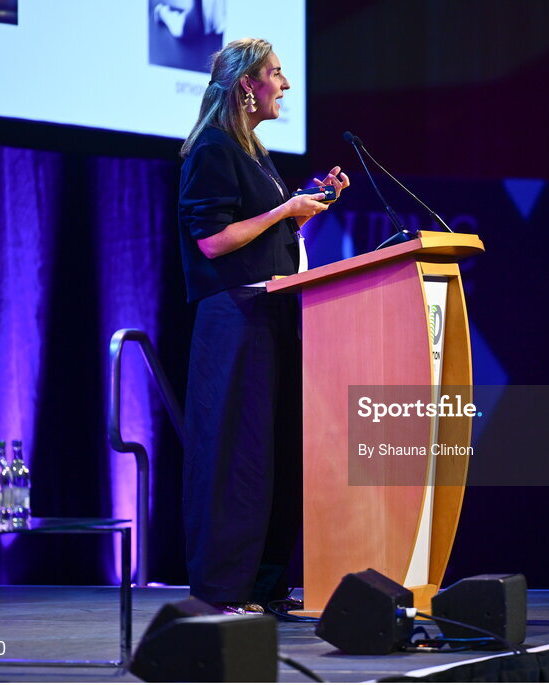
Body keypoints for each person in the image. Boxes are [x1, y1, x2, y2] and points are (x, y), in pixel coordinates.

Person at [177, 37, 349, 614]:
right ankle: (225, 588)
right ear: (247, 84)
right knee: (237, 456)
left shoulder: (255, 152)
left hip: (269, 315)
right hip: (232, 319)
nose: (286, 84)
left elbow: (264, 235)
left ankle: (263, 585)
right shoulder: (214, 149)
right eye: (277, 73)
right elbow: (212, 240)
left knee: (275, 453)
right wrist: (284, 210)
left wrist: (307, 202)